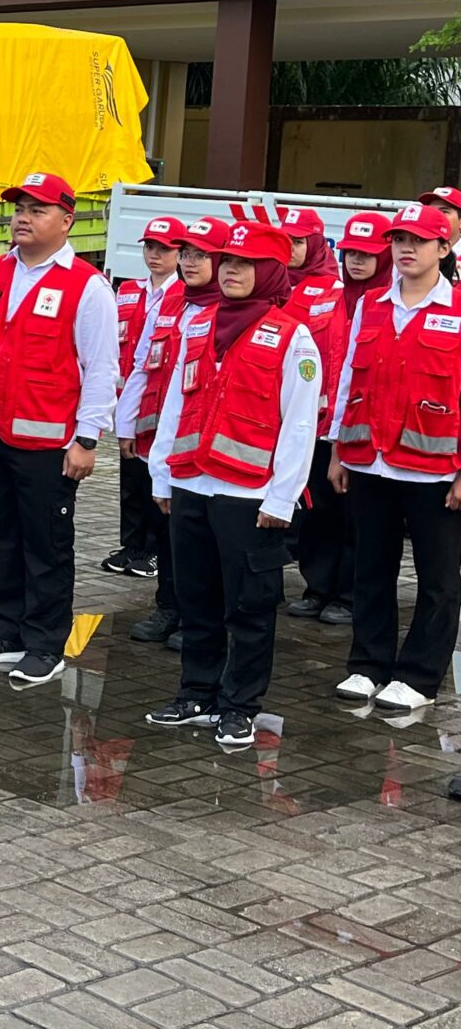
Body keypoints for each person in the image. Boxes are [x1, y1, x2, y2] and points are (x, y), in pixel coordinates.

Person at [145, 221, 318, 749]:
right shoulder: (198, 324)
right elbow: (175, 403)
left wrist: (282, 497)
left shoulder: (294, 337)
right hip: (192, 483)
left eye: (245, 264)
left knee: (248, 607)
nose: (231, 272)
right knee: (196, 597)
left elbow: (300, 424)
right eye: (227, 262)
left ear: (270, 271)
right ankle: (196, 693)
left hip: (250, 495)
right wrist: (162, 472)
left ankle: (240, 705)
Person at [0, 172, 117, 687]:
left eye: (37, 210)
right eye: (19, 208)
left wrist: (86, 439)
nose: (23, 218)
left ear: (67, 221)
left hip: (48, 443)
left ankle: (45, 645)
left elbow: (101, 368)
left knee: (45, 547)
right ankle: (2, 633)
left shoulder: (86, 287)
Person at [328, 204, 461, 715]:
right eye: (399, 240)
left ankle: (419, 676)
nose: (406, 249)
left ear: (444, 248)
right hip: (371, 462)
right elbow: (349, 378)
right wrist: (339, 450)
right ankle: (369, 664)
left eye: (419, 241)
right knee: (371, 569)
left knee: (438, 579)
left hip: (435, 469)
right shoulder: (372, 305)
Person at [126, 216, 229, 649]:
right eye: (185, 253)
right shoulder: (172, 303)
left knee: (206, 538)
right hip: (163, 437)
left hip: (208, 444)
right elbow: (142, 363)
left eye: (201, 255)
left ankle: (201, 618)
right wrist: (127, 423)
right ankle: (169, 606)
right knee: (166, 529)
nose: (189, 262)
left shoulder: (230, 310)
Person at [293, 211, 392, 625]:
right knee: (319, 511)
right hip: (321, 426)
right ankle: (317, 587)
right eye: (351, 252)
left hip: (365, 429)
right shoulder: (325, 296)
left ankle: (349, 596)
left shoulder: (391, 303)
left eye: (367, 254)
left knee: (357, 518)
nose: (357, 261)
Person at [277, 206, 352, 626]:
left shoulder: (333, 290)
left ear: (318, 243)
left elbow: (337, 356)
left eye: (299, 241)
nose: (290, 248)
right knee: (311, 507)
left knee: (336, 507)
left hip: (325, 418)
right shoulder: (271, 282)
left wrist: (333, 418)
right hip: (283, 415)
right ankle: (316, 587)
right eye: (285, 239)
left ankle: (343, 593)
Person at [105, 217, 186, 578]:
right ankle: (132, 544)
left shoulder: (183, 296)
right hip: (128, 398)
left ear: (179, 253)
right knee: (131, 479)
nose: (155, 255)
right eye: (150, 247)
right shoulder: (127, 290)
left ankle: (153, 550)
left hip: (160, 402)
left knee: (155, 477)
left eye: (164, 249)